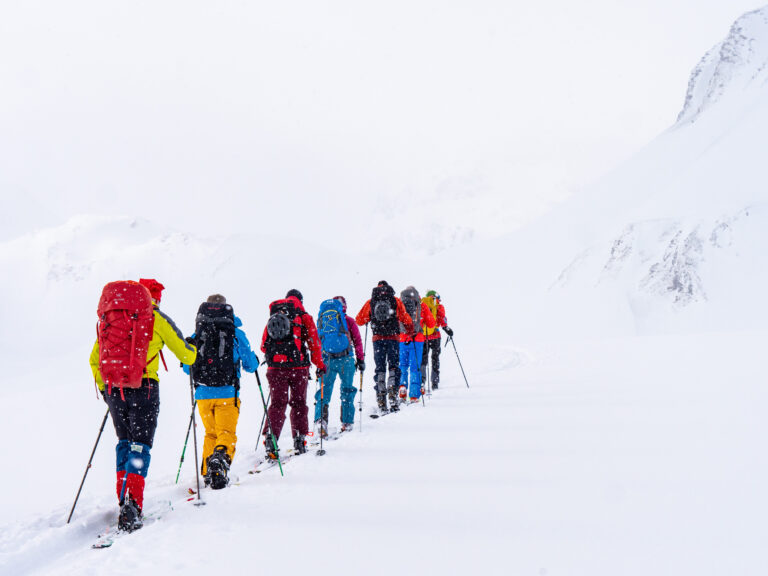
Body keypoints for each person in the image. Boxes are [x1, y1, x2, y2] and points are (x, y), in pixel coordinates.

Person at [89, 278, 197, 532]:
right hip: (145, 388)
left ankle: (124, 497)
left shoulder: (113, 320)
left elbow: (95, 360)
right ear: (156, 299)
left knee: (124, 441)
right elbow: (186, 355)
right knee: (140, 444)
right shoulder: (156, 319)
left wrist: (106, 390)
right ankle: (133, 503)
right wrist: (192, 347)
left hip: (115, 389)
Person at [183, 294, 259, 489]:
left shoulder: (198, 333)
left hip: (202, 394)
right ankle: (219, 460)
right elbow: (250, 366)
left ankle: (208, 473)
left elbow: (186, 367)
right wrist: (255, 360)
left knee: (211, 433)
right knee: (226, 433)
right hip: (227, 392)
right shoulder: (234, 332)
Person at [261, 289, 326, 457]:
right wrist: (319, 364)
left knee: (277, 404)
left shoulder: (274, 315)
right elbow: (314, 343)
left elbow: (263, 345)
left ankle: (271, 438)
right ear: (301, 300)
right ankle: (299, 439)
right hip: (298, 368)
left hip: (275, 368)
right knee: (298, 403)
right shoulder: (303, 316)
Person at [355, 281, 413, 414]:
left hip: (377, 340)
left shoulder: (371, 301)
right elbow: (406, 319)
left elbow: (359, 320)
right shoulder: (395, 300)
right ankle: (392, 393)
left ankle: (381, 397)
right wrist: (410, 331)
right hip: (393, 338)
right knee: (393, 366)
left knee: (380, 368)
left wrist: (370, 318)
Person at [314, 296, 365, 435]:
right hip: (346, 359)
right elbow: (358, 342)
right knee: (347, 390)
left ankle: (321, 422)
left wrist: (318, 362)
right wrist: (360, 359)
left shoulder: (323, 321)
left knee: (324, 391)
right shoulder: (348, 321)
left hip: (327, 360)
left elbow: (317, 342)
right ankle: (347, 423)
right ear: (344, 307)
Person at [398, 286, 435, 403]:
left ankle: (402, 387)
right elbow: (431, 324)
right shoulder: (421, 305)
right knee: (415, 367)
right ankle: (414, 395)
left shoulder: (400, 304)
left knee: (403, 365)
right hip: (417, 340)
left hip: (402, 339)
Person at [420, 290, 453, 390]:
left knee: (423, 360)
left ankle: (422, 381)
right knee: (435, 359)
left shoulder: (421, 305)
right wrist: (447, 329)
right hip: (435, 336)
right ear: (435, 297)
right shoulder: (438, 306)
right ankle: (434, 382)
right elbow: (442, 319)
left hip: (423, 336)